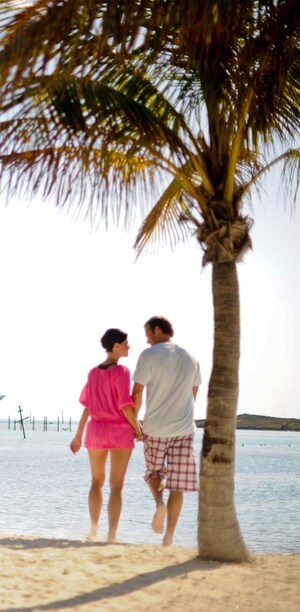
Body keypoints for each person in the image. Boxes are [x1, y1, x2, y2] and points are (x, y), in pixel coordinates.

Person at [132, 316, 201, 547]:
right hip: (184, 429)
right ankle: (169, 537)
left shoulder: (148, 356)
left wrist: (134, 423)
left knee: (154, 474)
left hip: (155, 428)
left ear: (158, 330)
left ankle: (159, 504)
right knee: (178, 485)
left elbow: (137, 394)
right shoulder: (191, 359)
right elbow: (193, 396)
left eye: (148, 333)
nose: (146, 339)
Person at [70, 328, 143, 543]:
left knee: (96, 482)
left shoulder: (93, 373)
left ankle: (93, 531)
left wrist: (78, 436)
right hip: (119, 430)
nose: (129, 347)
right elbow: (124, 405)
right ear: (116, 346)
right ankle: (111, 536)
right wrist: (138, 429)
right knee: (116, 486)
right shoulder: (121, 372)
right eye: (126, 343)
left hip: (96, 430)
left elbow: (87, 407)